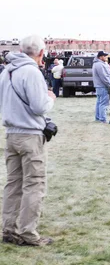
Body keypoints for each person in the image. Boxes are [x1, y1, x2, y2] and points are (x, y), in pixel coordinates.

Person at [0, 35, 56, 246]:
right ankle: (28, 232)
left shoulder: (7, 71)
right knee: (34, 185)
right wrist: (50, 99)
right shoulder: (31, 72)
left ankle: (9, 229)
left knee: (13, 184)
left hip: (12, 134)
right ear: (41, 53)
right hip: (30, 136)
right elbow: (39, 107)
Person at [92, 51, 110, 123]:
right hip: (103, 86)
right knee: (103, 103)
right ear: (100, 57)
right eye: (104, 56)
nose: (106, 57)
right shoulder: (100, 65)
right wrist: (109, 84)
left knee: (99, 102)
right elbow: (103, 76)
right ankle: (102, 119)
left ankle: (98, 117)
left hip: (99, 86)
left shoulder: (96, 64)